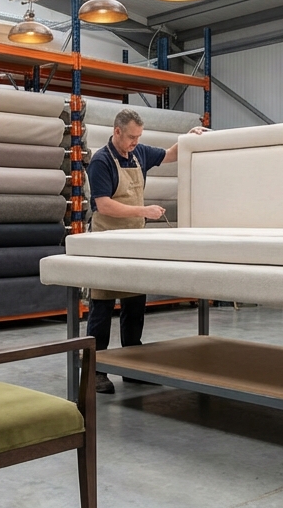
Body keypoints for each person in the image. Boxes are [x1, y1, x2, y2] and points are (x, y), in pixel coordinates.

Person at [86, 108, 206, 394]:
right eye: (131, 137)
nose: (135, 142)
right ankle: (96, 370)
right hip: (107, 241)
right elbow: (104, 205)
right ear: (117, 132)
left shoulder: (138, 153)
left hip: (134, 241)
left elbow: (169, 155)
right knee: (102, 305)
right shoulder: (101, 160)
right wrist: (144, 211)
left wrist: (188, 139)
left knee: (134, 304)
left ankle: (133, 366)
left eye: (138, 137)